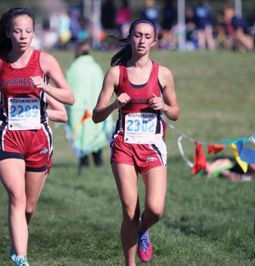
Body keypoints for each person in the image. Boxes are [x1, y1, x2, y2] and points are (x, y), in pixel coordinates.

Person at [0, 7, 75, 266]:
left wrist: (45, 86)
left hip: (38, 137)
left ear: (34, 33)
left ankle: (18, 240)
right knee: (17, 196)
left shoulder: (46, 61)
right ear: (9, 33)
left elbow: (70, 98)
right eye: (17, 31)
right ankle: (21, 259)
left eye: (28, 31)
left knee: (28, 206)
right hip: (9, 136)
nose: (23, 36)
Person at [92, 18, 180, 265]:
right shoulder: (116, 73)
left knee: (156, 209)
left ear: (154, 40)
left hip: (152, 145)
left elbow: (176, 112)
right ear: (130, 37)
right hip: (124, 146)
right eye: (137, 35)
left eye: (146, 36)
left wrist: (163, 105)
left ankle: (142, 230)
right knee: (130, 211)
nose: (141, 40)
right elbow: (96, 116)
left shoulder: (163, 73)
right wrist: (114, 104)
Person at [65, 40, 113, 169]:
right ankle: (98, 161)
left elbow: (68, 89)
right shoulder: (95, 67)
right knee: (96, 134)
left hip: (78, 110)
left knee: (81, 135)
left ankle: (84, 162)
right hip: (95, 108)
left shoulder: (73, 68)